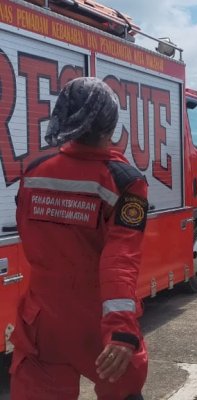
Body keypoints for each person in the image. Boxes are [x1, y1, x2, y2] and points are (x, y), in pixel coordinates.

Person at [10, 77, 148, 400]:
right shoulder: (124, 181)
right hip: (96, 324)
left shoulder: (34, 171)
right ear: (110, 126)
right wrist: (121, 330)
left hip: (41, 323)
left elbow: (28, 234)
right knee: (123, 382)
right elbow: (120, 260)